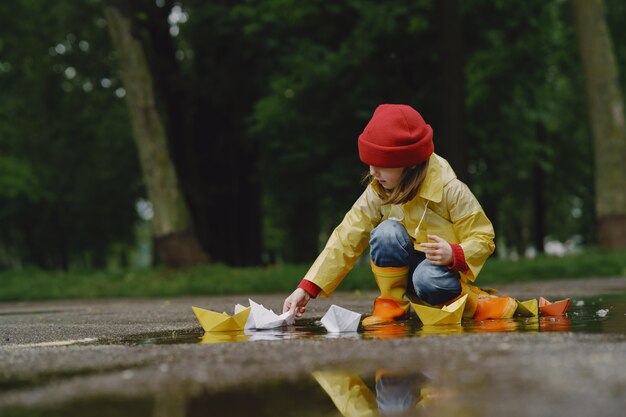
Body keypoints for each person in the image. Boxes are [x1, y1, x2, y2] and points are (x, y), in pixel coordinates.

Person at [283, 104, 517, 325]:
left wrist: (454, 253)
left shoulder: (451, 190)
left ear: (411, 163)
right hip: (403, 271)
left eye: (382, 164)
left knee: (426, 277)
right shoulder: (378, 190)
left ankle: (471, 304)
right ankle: (391, 305)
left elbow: (483, 238)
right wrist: (307, 287)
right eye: (369, 163)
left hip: (438, 275)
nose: (373, 172)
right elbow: (347, 236)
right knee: (385, 232)